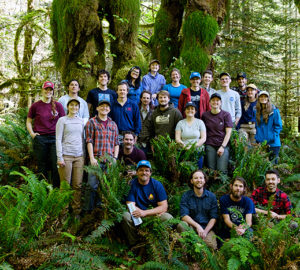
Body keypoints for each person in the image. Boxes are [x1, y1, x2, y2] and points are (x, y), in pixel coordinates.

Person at [122, 160, 172, 246]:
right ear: (137, 172)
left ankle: (160, 246)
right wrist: (141, 213)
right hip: (137, 215)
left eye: (146, 170)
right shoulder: (131, 184)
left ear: (150, 173)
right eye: (141, 170)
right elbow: (130, 205)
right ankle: (134, 244)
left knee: (168, 217)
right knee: (125, 216)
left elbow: (164, 207)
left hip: (154, 217)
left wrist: (145, 213)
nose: (144, 172)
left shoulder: (157, 185)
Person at [26, 81, 65, 188]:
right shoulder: (35, 106)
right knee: (41, 165)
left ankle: (56, 192)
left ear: (52, 92)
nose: (48, 91)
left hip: (55, 139)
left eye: (50, 90)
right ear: (42, 90)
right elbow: (28, 121)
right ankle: (42, 191)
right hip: (40, 139)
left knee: (55, 165)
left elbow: (64, 122)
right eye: (46, 89)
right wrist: (32, 134)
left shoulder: (58, 106)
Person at [84, 100, 119, 211]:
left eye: (107, 107)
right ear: (97, 108)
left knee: (105, 187)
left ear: (109, 109)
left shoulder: (113, 124)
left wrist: (114, 158)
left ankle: (99, 211)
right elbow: (89, 141)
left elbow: (116, 143)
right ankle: (88, 211)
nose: (104, 108)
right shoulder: (91, 122)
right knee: (91, 185)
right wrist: (92, 158)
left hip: (109, 160)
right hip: (96, 159)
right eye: (102, 106)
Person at [56, 98, 85, 216]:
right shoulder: (62, 120)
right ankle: (64, 212)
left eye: (76, 106)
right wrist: (59, 157)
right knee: (65, 185)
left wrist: (84, 156)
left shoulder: (81, 121)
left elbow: (83, 139)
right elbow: (58, 139)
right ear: (68, 107)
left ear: (79, 108)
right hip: (66, 156)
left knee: (77, 185)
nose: (74, 107)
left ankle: (76, 212)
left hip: (79, 156)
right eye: (72, 105)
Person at [178, 170, 218, 250]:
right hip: (191, 227)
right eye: (196, 178)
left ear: (204, 180)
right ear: (192, 181)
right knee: (182, 225)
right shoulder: (186, 196)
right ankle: (186, 253)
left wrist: (205, 232)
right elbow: (184, 215)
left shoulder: (211, 197)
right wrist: (197, 226)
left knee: (212, 246)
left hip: (206, 228)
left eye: (201, 178)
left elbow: (214, 218)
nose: (199, 180)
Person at [202, 93, 233, 174]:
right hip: (210, 144)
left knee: (222, 170)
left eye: (217, 100)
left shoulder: (226, 115)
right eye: (213, 100)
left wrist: (222, 147)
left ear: (221, 102)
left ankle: (222, 186)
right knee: (211, 170)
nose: (215, 102)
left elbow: (228, 132)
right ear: (209, 102)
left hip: (223, 145)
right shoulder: (205, 115)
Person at [175, 102, 206, 168]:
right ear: (185, 111)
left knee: (197, 171)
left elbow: (203, 138)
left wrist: (193, 147)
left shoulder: (200, 122)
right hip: (183, 151)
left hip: (197, 151)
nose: (190, 110)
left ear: (195, 111)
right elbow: (177, 138)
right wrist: (184, 146)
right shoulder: (180, 123)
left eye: (192, 109)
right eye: (188, 109)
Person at [255, 91, 282, 164]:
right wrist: (257, 138)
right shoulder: (256, 111)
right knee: (262, 165)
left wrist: (273, 137)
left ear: (268, 98)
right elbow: (257, 127)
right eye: (261, 96)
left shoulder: (274, 111)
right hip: (261, 143)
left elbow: (278, 126)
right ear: (258, 98)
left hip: (273, 143)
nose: (263, 98)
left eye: (265, 96)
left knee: (273, 165)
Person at [138, 90, 154, 156]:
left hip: (149, 142)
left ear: (150, 100)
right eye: (144, 98)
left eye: (147, 98)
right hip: (137, 142)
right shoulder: (136, 110)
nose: (146, 99)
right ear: (141, 99)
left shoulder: (153, 112)